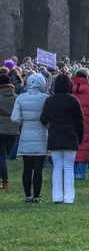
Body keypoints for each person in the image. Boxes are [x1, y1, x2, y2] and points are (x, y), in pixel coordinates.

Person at [39, 73, 85, 204]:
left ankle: (57, 196)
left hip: (55, 135)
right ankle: (69, 197)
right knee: (69, 167)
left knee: (57, 167)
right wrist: (80, 137)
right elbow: (79, 121)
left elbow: (43, 119)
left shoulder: (50, 100)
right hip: (71, 135)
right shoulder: (73, 100)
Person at [11, 73, 49, 201]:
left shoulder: (21, 98)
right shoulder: (45, 98)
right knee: (38, 168)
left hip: (26, 133)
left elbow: (14, 118)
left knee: (27, 168)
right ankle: (37, 196)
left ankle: (27, 195)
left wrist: (24, 123)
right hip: (41, 133)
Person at [0, 73, 18, 189]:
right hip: (13, 129)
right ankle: (4, 181)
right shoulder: (17, 97)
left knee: (1, 156)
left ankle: (5, 181)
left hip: (1, 128)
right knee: (4, 155)